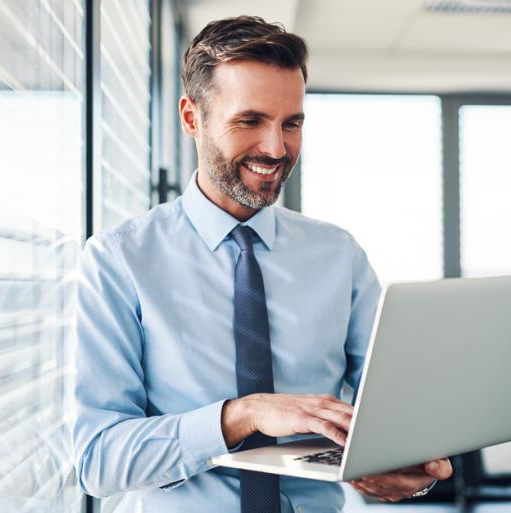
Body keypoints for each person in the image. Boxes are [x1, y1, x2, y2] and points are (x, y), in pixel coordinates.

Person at [72, 15, 452, 513]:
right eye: (250, 121)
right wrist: (242, 416)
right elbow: (99, 462)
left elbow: (392, 419)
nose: (276, 148)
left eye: (291, 123)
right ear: (192, 118)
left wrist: (410, 470)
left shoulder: (339, 256)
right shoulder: (119, 261)